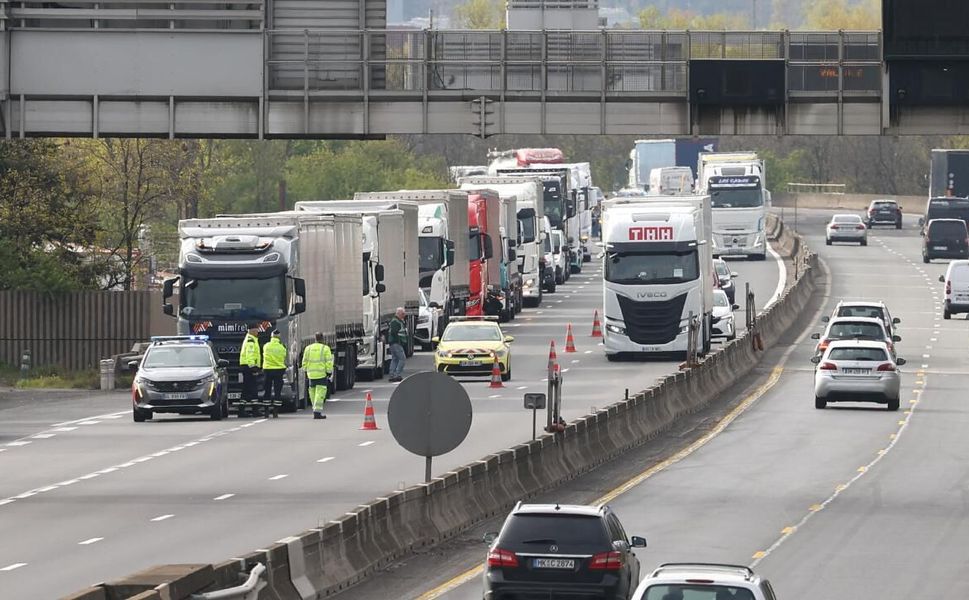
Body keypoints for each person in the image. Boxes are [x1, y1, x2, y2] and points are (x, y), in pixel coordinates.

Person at [302, 332, 333, 419]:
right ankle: (317, 412)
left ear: (315, 339)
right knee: (320, 393)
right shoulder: (325, 348)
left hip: (311, 375)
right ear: (322, 339)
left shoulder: (308, 348)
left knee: (312, 393)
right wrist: (329, 372)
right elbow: (329, 362)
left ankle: (315, 409)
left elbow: (304, 362)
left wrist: (306, 371)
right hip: (321, 375)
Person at [261, 329, 287, 418]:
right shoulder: (282, 347)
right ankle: (275, 411)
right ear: (279, 337)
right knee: (277, 391)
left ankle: (266, 411)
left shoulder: (266, 346)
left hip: (267, 370)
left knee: (267, 391)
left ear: (271, 337)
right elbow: (284, 356)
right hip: (279, 370)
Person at [238, 324, 262, 418]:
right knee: (253, 389)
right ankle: (254, 410)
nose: (257, 332)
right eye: (256, 330)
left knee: (246, 390)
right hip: (249, 368)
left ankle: (242, 410)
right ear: (252, 330)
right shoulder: (251, 341)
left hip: (247, 367)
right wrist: (253, 368)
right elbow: (250, 355)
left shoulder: (251, 339)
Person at [388, 307, 408, 383]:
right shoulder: (396, 322)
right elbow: (394, 332)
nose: (404, 315)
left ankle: (392, 375)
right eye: (403, 314)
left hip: (394, 343)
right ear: (399, 314)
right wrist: (399, 341)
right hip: (396, 343)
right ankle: (397, 374)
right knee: (402, 359)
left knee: (395, 359)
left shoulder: (397, 321)